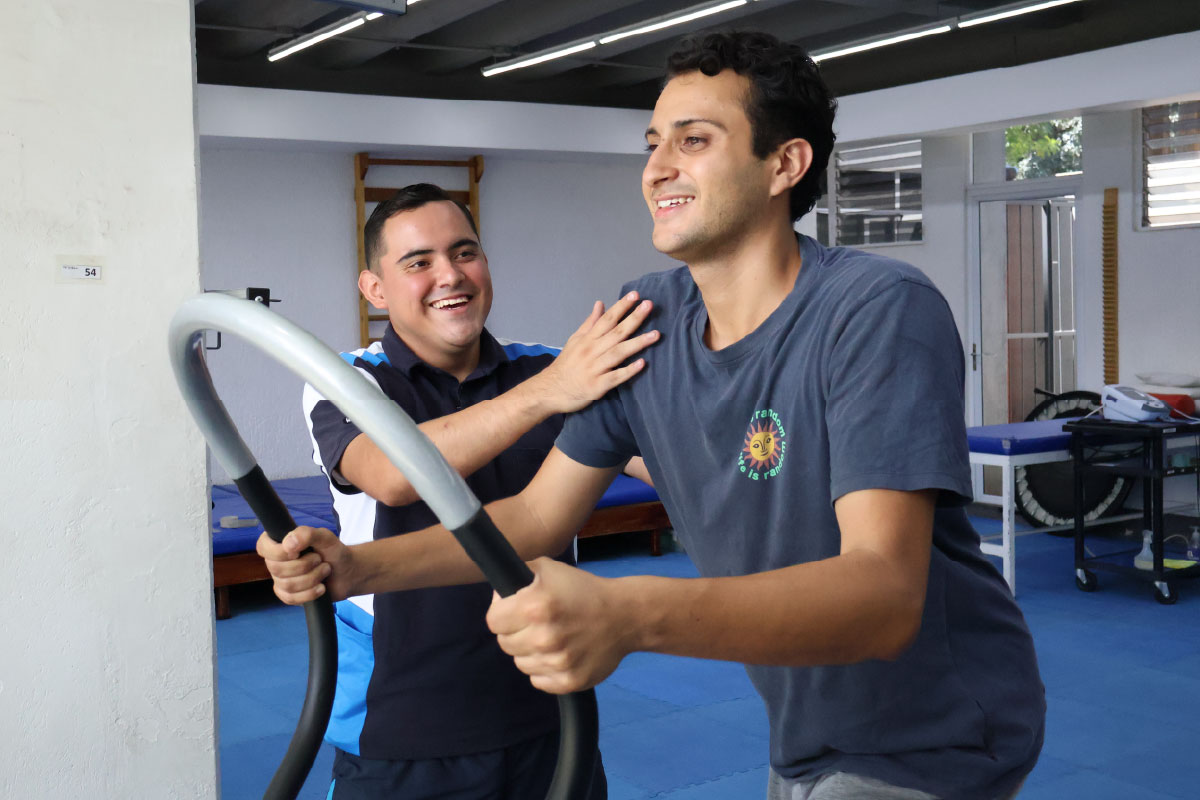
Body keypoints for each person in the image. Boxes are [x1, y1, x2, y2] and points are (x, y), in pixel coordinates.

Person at [263, 33, 1045, 800]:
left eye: (693, 140)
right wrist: (360, 568)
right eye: (653, 144)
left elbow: (884, 598)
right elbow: (535, 516)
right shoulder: (648, 319)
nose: (656, 168)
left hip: (930, 734)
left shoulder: (875, 308)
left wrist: (627, 611)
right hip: (806, 722)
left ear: (785, 164)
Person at [295, 182, 657, 799]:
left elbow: (667, 465)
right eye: (419, 262)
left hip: (551, 714)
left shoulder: (547, 367)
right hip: (401, 727)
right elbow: (394, 475)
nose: (450, 275)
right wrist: (549, 394)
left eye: (465, 253)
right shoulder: (348, 380)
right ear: (375, 289)